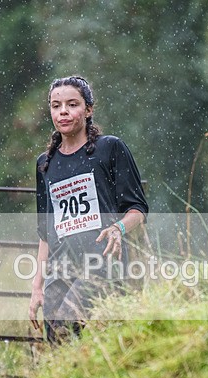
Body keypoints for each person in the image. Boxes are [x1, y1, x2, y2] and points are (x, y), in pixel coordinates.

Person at [28, 75, 149, 343]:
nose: (63, 112)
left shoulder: (109, 149)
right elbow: (46, 233)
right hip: (61, 268)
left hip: (101, 262)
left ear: (88, 109)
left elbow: (138, 209)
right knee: (56, 340)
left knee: (67, 325)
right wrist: (37, 286)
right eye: (56, 105)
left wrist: (118, 228)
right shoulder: (44, 164)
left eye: (72, 104)